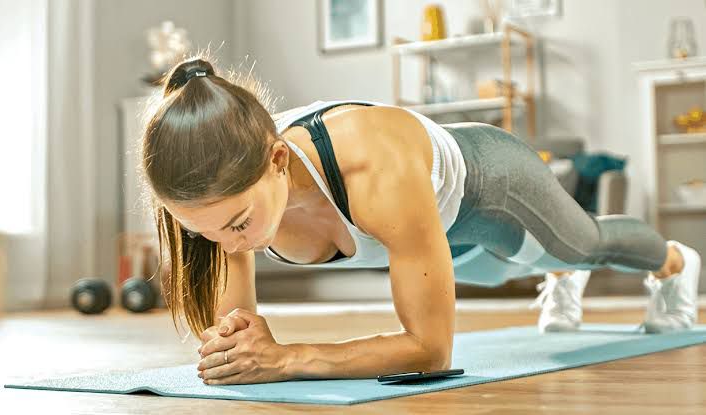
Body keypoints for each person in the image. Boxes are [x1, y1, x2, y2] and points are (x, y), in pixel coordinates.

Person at [140, 56, 701, 385]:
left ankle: (675, 265)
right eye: (201, 231)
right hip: (435, 237)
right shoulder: (219, 185)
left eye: (237, 225)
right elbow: (238, 328)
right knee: (495, 274)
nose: (225, 244)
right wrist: (237, 348)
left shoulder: (372, 165)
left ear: (280, 161)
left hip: (491, 188)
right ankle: (553, 277)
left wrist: (289, 358)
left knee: (580, 244)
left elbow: (431, 351)